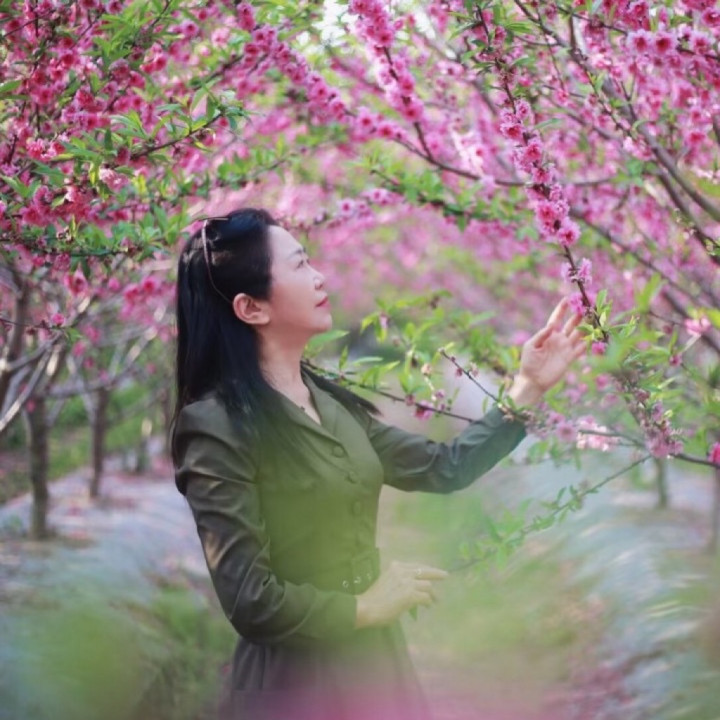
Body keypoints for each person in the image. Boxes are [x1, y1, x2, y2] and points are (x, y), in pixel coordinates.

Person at [171, 208, 587, 720]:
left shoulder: (329, 403)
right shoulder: (216, 425)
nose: (319, 276)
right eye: (298, 265)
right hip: (295, 681)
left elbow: (445, 466)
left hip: (375, 663)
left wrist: (528, 388)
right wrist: (364, 606)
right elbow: (249, 599)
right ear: (251, 307)